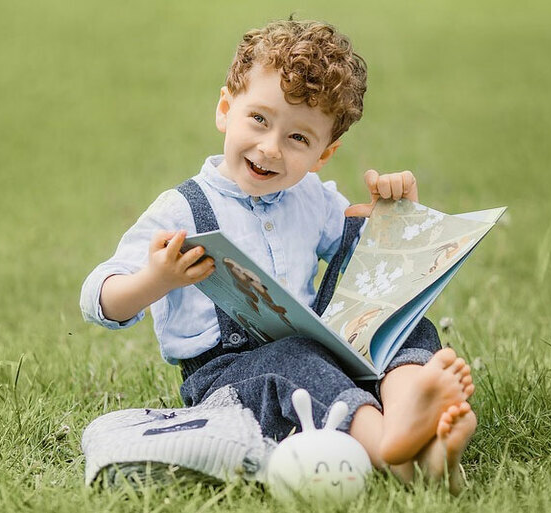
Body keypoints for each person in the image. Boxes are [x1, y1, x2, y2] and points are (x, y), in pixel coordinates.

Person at [80, 19, 476, 493]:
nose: (270, 148)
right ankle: (392, 443)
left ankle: (415, 412)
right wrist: (154, 280)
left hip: (321, 354)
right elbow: (97, 297)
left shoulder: (313, 198)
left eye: (298, 139)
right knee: (293, 360)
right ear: (226, 109)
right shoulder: (183, 208)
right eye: (259, 120)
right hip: (228, 381)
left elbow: (368, 266)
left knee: (401, 318)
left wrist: (394, 215)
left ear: (323, 154)